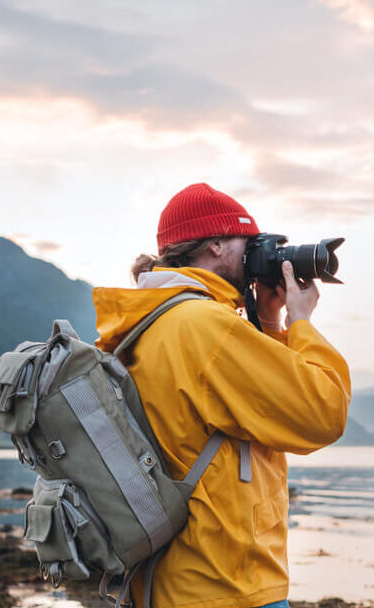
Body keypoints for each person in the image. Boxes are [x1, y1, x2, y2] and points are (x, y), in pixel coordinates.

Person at [92, 183, 351, 608]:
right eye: (250, 245)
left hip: (163, 585)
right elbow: (323, 412)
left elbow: (239, 409)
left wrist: (267, 321)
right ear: (215, 245)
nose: (257, 258)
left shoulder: (142, 324)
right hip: (227, 585)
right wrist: (301, 322)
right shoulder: (206, 326)